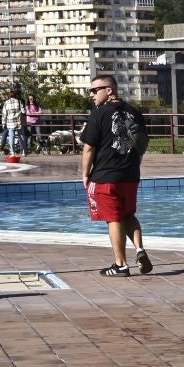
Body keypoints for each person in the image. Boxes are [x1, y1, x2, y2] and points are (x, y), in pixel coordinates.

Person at [78, 74, 152, 277]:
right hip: (130, 175)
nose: (92, 95)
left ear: (109, 90)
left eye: (95, 91)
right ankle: (139, 249)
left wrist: (85, 174)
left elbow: (88, 148)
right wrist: (135, 165)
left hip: (105, 176)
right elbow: (142, 145)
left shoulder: (98, 114)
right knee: (128, 214)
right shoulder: (135, 113)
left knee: (113, 219)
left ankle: (120, 265)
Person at [0, 89, 26, 154]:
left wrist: (3, 123)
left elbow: (4, 114)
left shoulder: (6, 103)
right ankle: (23, 151)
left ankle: (12, 152)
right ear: (15, 95)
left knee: (11, 137)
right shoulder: (19, 101)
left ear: (9, 96)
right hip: (18, 122)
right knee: (21, 136)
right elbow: (23, 111)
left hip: (10, 123)